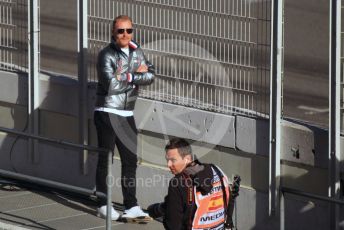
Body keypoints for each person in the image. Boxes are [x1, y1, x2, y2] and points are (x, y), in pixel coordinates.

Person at [94, 15, 155, 221]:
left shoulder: (137, 51)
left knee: (130, 161)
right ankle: (103, 204)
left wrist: (127, 77)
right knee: (106, 159)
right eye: (120, 31)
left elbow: (151, 75)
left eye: (129, 30)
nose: (125, 35)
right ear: (113, 32)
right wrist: (135, 76)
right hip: (107, 111)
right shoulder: (106, 55)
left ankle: (131, 205)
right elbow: (111, 86)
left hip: (127, 113)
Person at [148, 138, 240, 230]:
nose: (168, 164)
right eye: (167, 160)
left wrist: (162, 213)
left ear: (187, 159)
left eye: (173, 160)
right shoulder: (216, 170)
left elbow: (173, 225)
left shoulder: (177, 183)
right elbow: (228, 201)